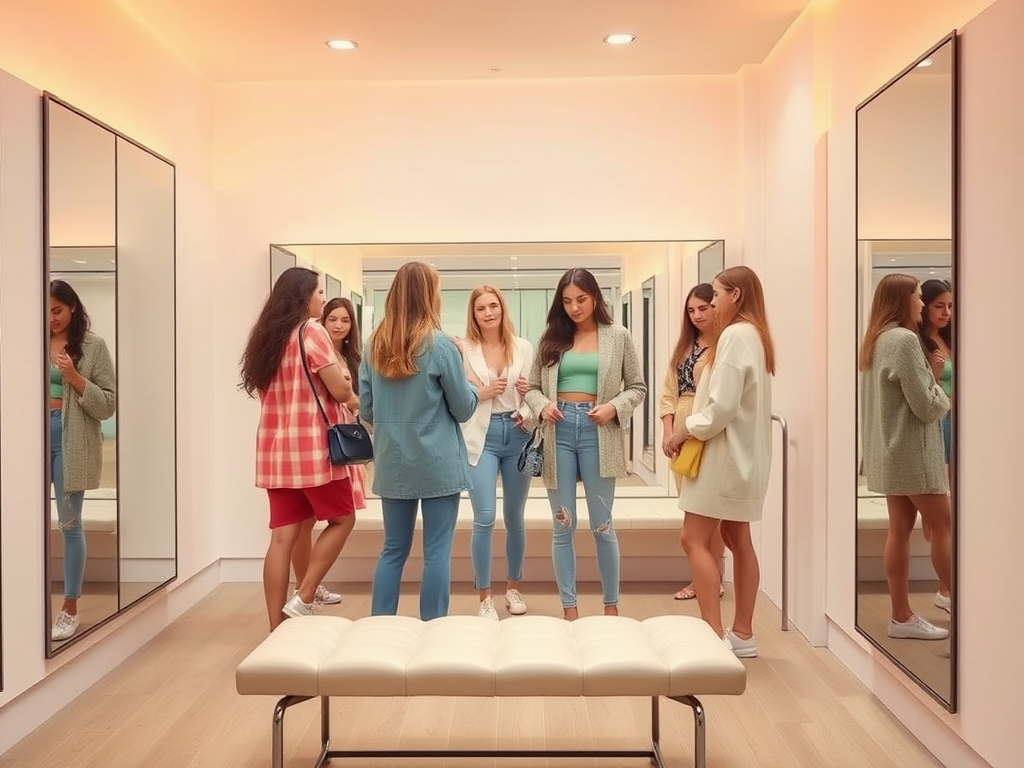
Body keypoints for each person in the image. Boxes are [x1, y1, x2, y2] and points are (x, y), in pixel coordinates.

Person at [524, 268, 646, 621]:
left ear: (595, 297)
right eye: (567, 301)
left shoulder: (618, 336)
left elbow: (637, 387)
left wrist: (613, 407)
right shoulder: (551, 337)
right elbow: (532, 387)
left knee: (602, 527)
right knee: (563, 526)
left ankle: (611, 608)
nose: (574, 307)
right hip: (558, 430)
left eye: (580, 299)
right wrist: (543, 405)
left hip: (598, 432)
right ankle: (570, 611)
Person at [239, 267, 357, 631]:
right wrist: (353, 398)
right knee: (343, 519)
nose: (323, 299)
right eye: (319, 293)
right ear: (302, 296)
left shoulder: (267, 339)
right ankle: (305, 596)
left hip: (276, 450)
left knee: (282, 537)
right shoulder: (312, 332)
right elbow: (337, 390)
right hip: (313, 448)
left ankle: (276, 627)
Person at [359, 262, 478, 621]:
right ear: (430, 295)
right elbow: (464, 408)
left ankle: (379, 626)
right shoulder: (442, 346)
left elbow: (366, 407)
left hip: (393, 461)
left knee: (392, 549)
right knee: (437, 553)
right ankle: (433, 628)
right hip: (438, 463)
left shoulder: (373, 346)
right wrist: (467, 370)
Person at [675, 266, 774, 658]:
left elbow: (722, 407)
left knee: (693, 539)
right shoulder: (756, 336)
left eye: (716, 295)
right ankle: (743, 634)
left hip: (722, 455)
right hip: (744, 457)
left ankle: (713, 636)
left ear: (736, 295)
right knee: (738, 539)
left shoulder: (734, 336)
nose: (711, 303)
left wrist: (685, 430)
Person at [860, 274, 951, 641]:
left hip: (889, 452)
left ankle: (901, 616)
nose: (921, 302)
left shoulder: (875, 340)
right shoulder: (904, 340)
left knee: (899, 530)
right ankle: (962, 611)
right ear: (903, 300)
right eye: (916, 296)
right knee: (944, 526)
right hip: (914, 453)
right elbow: (927, 405)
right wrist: (939, 384)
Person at [285, 297, 367, 607]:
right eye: (332, 319)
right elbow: (345, 396)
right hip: (321, 441)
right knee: (312, 521)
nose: (338, 325)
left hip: (341, 441)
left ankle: (307, 586)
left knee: (314, 521)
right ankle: (305, 588)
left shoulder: (351, 357)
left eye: (345, 320)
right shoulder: (313, 346)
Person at [459, 285, 535, 619]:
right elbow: (460, 396)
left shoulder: (523, 347)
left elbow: (534, 393)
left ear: (503, 309)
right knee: (485, 517)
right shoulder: (465, 349)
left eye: (493, 306)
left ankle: (513, 588)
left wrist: (527, 408)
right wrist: (484, 392)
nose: (488, 313)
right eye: (481, 308)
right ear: (473, 314)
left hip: (517, 433)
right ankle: (484, 596)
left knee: (515, 517)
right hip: (483, 437)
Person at [48, 280, 116, 642]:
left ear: (73, 307)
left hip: (70, 438)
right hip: (26, 439)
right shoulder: (26, 339)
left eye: (57, 310)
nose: (50, 318)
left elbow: (107, 404)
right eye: (45, 310)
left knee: (69, 524)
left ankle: (70, 607)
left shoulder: (94, 346)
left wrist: (74, 378)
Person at [659, 282, 726, 602]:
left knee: (707, 513)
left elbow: (718, 401)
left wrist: (686, 429)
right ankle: (704, 577)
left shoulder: (725, 346)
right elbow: (667, 394)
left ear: (716, 307)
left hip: (706, 428)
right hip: (680, 430)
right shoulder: (685, 346)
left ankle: (708, 580)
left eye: (703, 308)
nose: (697, 315)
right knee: (690, 506)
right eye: (691, 310)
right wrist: (667, 432)